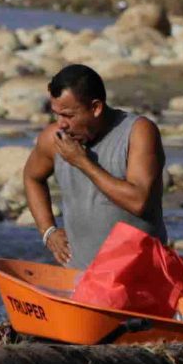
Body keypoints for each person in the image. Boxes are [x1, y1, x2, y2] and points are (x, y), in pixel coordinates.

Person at [23, 64, 166, 267]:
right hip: (79, 281)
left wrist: (82, 162)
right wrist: (48, 231)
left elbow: (138, 201)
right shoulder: (54, 139)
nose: (61, 123)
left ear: (96, 107)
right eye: (56, 114)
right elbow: (31, 177)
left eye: (68, 115)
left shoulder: (137, 133)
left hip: (138, 279)